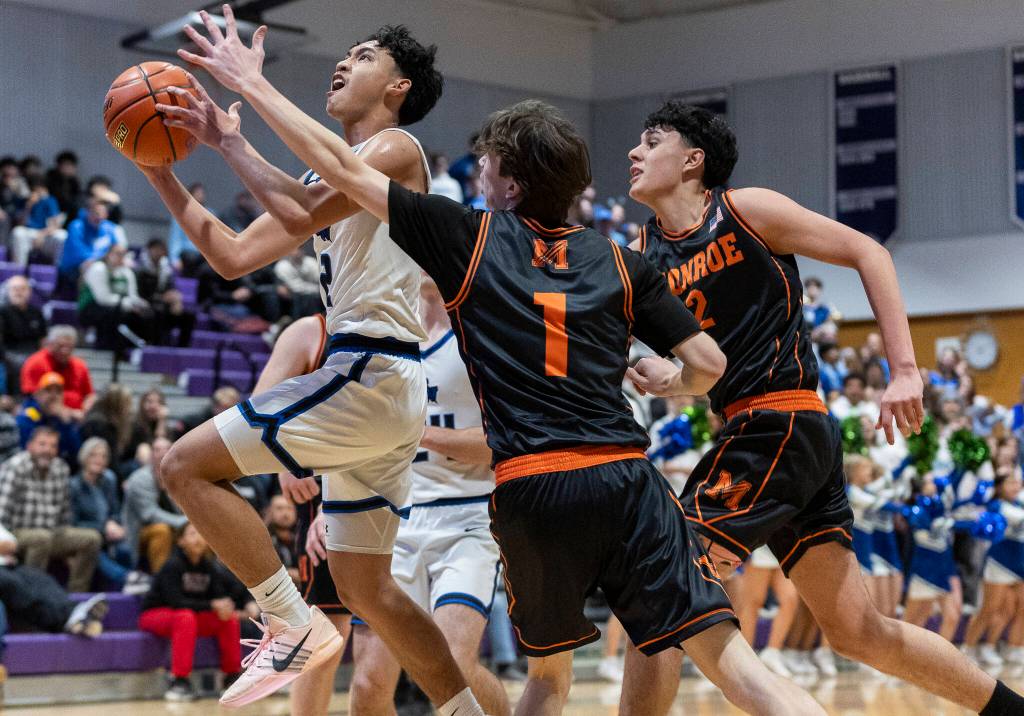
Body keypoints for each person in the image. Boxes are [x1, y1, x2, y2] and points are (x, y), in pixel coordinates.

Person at [232, 29, 822, 707]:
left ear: (509, 184)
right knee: (729, 663)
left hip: (531, 489)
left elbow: (341, 169)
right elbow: (709, 362)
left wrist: (250, 88)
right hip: (624, 478)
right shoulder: (624, 261)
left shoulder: (468, 237)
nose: (478, 177)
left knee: (547, 680)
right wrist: (676, 381)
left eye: (486, 169)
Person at [134, 13, 483, 713]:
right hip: (384, 391)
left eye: (364, 55)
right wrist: (160, 172)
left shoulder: (398, 149)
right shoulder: (323, 177)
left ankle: (291, 622)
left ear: (399, 86)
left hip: (367, 372)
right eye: (345, 51)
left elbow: (300, 211)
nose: (344, 62)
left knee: (181, 465)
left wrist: (246, 93)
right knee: (367, 591)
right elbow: (234, 256)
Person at [627, 100, 1024, 713]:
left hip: (780, 423)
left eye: (652, 142)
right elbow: (711, 372)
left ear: (692, 160)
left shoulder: (745, 210)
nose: (634, 152)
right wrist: (672, 380)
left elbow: (872, 252)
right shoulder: (641, 253)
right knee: (858, 633)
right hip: (767, 433)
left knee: (663, 583)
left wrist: (906, 370)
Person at [347, 274, 509, 716]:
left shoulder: (483, 332)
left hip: (467, 516)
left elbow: (505, 440)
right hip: (393, 518)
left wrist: (423, 435)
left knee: (455, 669)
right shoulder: (384, 330)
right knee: (368, 682)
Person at [139, 523, 241, 702]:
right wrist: (211, 605)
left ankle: (231, 678)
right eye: (193, 534)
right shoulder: (173, 565)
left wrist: (224, 607)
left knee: (228, 619)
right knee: (185, 617)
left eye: (201, 534)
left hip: (189, 616)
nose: (198, 538)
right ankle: (179, 681)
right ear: (181, 541)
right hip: (155, 614)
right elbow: (176, 602)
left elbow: (218, 595)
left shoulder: (208, 566)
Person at [0, 426, 100, 591]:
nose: (47, 450)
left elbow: (65, 513)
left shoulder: (61, 468)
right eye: (42, 444)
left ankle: (76, 594)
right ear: (29, 446)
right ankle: (31, 593)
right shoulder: (15, 467)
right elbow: (1, 513)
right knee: (41, 538)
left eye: (53, 446)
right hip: (18, 533)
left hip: (53, 532)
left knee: (92, 539)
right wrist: (5, 543)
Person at [0, 519, 108, 638]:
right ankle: (67, 620)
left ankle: (74, 612)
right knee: (13, 584)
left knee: (39, 578)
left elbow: (11, 544)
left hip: (8, 565)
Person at [69, 437, 134, 589]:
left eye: (104, 456)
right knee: (94, 545)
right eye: (94, 455)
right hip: (88, 534)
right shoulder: (74, 485)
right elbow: (73, 522)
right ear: (84, 457)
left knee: (125, 547)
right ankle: (127, 578)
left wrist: (114, 523)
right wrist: (103, 528)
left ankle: (127, 587)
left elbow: (115, 511)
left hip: (109, 533)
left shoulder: (109, 480)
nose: (99, 459)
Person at [122, 437, 188, 572]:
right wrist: (184, 522)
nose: (163, 454)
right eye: (158, 450)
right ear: (151, 455)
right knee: (161, 531)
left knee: (200, 533)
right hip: (139, 532)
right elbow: (149, 514)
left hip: (174, 527)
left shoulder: (177, 476)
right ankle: (161, 582)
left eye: (167, 449)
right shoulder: (139, 479)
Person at [78, 243, 154, 351]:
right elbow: (103, 298)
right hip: (90, 308)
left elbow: (133, 295)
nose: (121, 257)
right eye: (117, 254)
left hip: (118, 306)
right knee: (113, 313)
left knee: (147, 313)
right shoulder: (98, 268)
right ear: (109, 254)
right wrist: (128, 304)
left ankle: (140, 350)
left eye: (123, 254)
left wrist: (141, 304)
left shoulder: (127, 272)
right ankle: (104, 347)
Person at [135, 238, 197, 347]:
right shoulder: (141, 269)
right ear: (149, 250)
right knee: (157, 312)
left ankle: (182, 348)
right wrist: (162, 298)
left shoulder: (166, 269)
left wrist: (176, 299)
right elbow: (142, 294)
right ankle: (154, 346)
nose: (159, 253)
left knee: (189, 316)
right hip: (146, 304)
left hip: (163, 303)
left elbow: (171, 288)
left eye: (161, 250)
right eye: (156, 249)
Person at [57, 197, 123, 294]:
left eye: (102, 213)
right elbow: (79, 252)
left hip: (101, 265)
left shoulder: (109, 228)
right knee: (90, 267)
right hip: (72, 269)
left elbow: (116, 248)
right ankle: (83, 304)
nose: (99, 216)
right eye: (96, 213)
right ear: (88, 212)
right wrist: (99, 259)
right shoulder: (76, 226)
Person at [21, 325, 94, 412]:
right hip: (44, 414)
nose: (65, 351)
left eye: (69, 347)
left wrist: (88, 409)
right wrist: (65, 412)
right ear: (50, 344)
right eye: (60, 346)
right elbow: (34, 396)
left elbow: (89, 395)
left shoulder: (80, 365)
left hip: (78, 414)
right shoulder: (36, 363)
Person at [15, 371, 81, 466]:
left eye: (58, 392)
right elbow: (26, 447)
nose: (53, 396)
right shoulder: (29, 414)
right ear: (38, 394)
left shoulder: (62, 416)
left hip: (56, 468)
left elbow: (75, 454)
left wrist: (66, 423)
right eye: (48, 390)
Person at [0, 275, 48, 393]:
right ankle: (19, 398)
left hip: (33, 351)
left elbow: (43, 339)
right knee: (21, 364)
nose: (18, 292)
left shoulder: (36, 312)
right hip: (9, 351)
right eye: (15, 289)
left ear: (29, 292)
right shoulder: (2, 312)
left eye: (22, 289)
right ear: (8, 291)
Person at [10, 178, 66, 265]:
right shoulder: (25, 201)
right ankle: (19, 269)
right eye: (33, 190)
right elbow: (20, 224)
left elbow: (55, 225)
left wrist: (41, 235)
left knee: (62, 235)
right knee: (17, 232)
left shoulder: (50, 200)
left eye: (37, 189)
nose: (35, 193)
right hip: (29, 234)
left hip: (45, 236)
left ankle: (56, 271)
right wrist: (29, 206)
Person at [167, 182, 206, 275]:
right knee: (190, 259)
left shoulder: (210, 214)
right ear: (190, 195)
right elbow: (175, 239)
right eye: (198, 193)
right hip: (187, 255)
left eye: (202, 193)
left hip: (204, 256)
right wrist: (174, 259)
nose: (201, 196)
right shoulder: (180, 214)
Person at [273, 247, 322, 319]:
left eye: (299, 249)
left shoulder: (310, 261)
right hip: (293, 294)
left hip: (314, 292)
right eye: (294, 249)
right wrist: (317, 289)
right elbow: (296, 287)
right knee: (306, 298)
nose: (297, 252)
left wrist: (320, 289)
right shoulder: (282, 266)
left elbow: (320, 278)